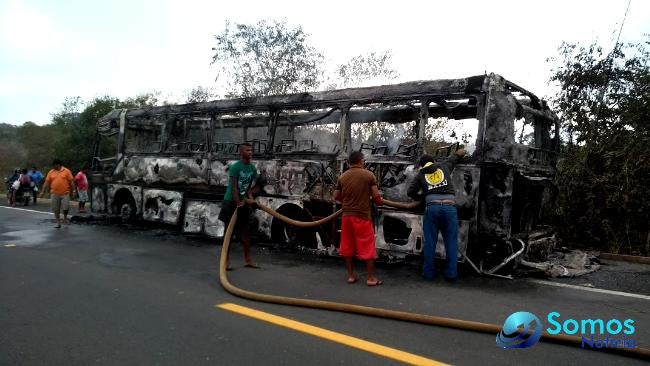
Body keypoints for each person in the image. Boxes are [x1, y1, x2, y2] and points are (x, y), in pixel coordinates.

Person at [407, 149, 466, 282]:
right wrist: (460, 153)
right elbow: (454, 158)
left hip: (432, 208)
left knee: (430, 242)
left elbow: (410, 192)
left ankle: (428, 274)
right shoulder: (444, 167)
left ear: (422, 165)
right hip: (449, 208)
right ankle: (451, 275)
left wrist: (422, 197)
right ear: (433, 162)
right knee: (451, 242)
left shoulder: (421, 173)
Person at [333, 151, 385, 286]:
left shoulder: (342, 177)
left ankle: (351, 276)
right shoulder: (369, 175)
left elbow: (336, 196)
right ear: (361, 161)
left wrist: (348, 200)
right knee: (367, 246)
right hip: (362, 216)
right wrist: (375, 199)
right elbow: (377, 198)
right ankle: (370, 278)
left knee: (347, 245)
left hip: (346, 216)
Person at [218, 143, 259, 269]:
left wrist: (251, 200)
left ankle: (248, 260)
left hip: (243, 203)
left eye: (251, 150)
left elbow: (248, 189)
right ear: (242, 152)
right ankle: (226, 260)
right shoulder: (235, 167)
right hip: (230, 201)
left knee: (246, 232)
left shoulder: (252, 168)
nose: (251, 152)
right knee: (228, 233)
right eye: (248, 150)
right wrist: (238, 203)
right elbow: (234, 187)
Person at [40, 159, 75, 228]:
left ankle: (65, 218)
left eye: (54, 165)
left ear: (58, 164)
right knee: (56, 209)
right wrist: (42, 191)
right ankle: (58, 222)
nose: (53, 167)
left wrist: (74, 191)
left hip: (65, 193)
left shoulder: (66, 171)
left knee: (66, 206)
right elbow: (46, 182)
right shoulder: (51, 172)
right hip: (54, 193)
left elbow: (72, 181)